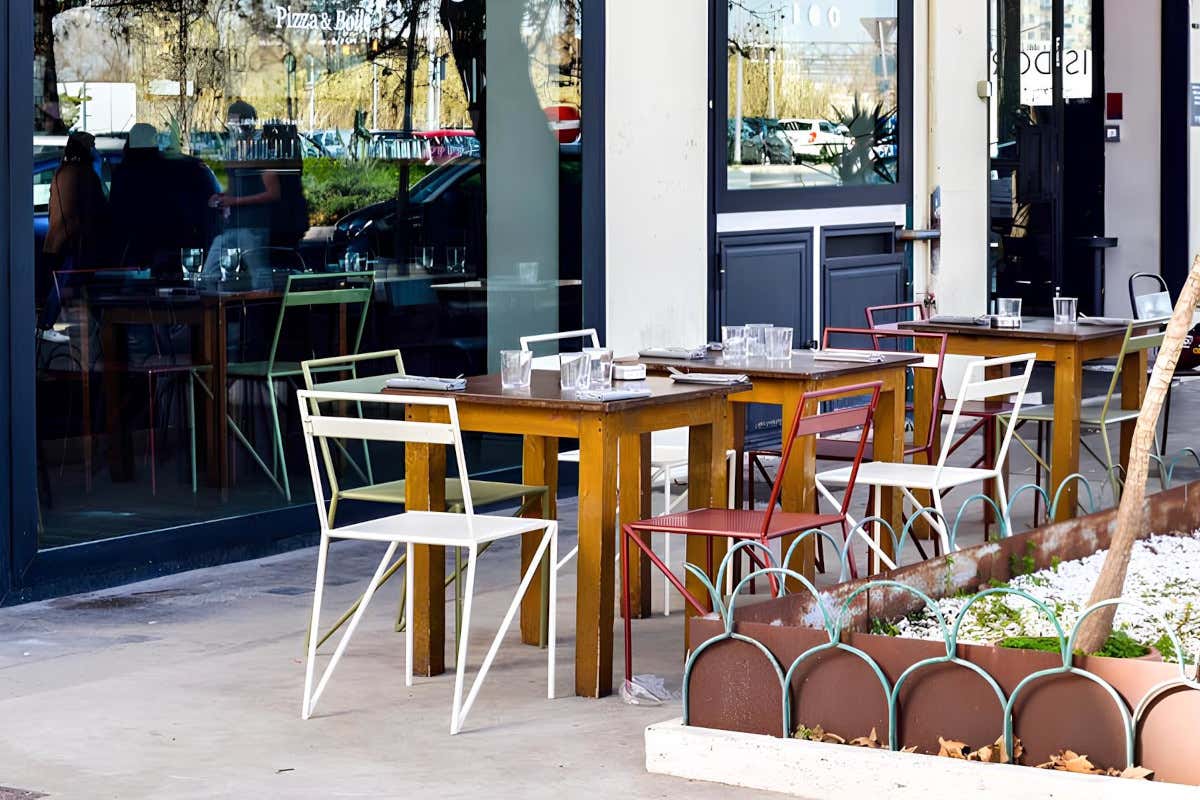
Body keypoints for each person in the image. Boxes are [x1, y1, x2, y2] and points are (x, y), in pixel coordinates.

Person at [40, 130, 110, 334]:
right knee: (74, 285)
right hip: (75, 242)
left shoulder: (60, 172)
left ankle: (100, 324)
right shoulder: (86, 174)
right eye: (91, 147)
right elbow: (98, 207)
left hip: (57, 240)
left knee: (69, 284)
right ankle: (46, 324)